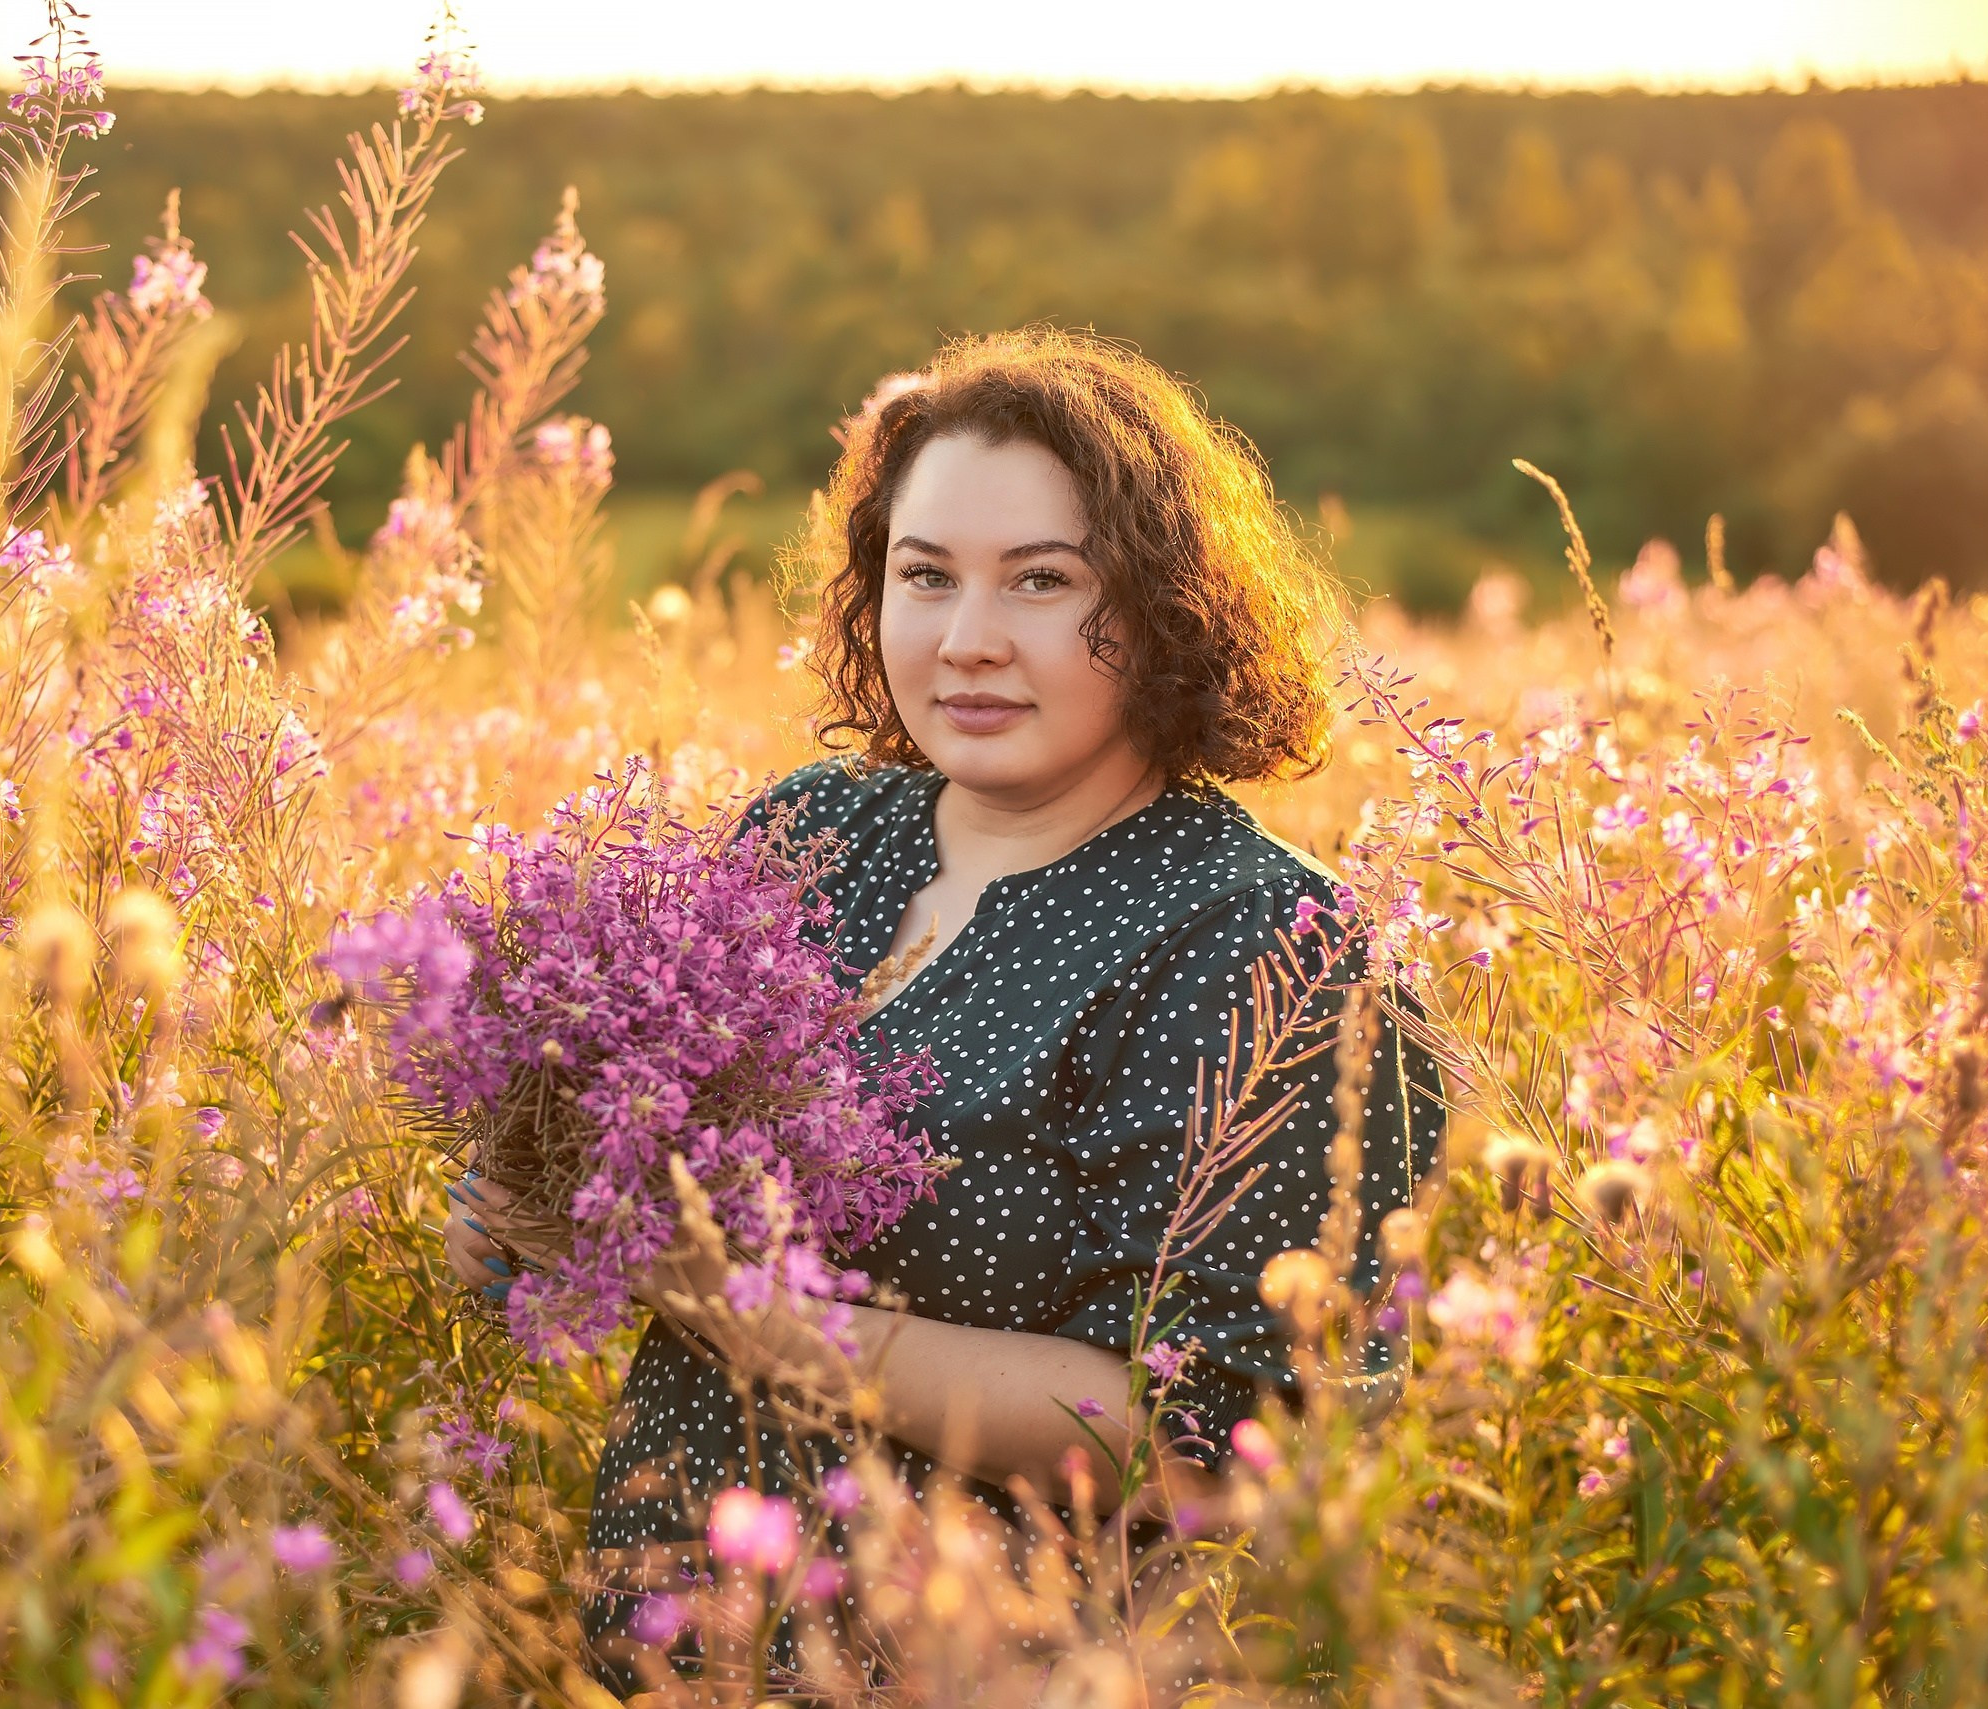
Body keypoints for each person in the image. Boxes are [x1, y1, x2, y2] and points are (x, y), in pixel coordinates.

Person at [443, 327, 1442, 1685]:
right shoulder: (814, 838)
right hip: (677, 1653)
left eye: (1042, 581)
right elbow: (639, 1148)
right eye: (925, 576)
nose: (968, 641)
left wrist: (779, 1322)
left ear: (1165, 605)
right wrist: (532, 1193)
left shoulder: (1272, 944)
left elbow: (1219, 1446)